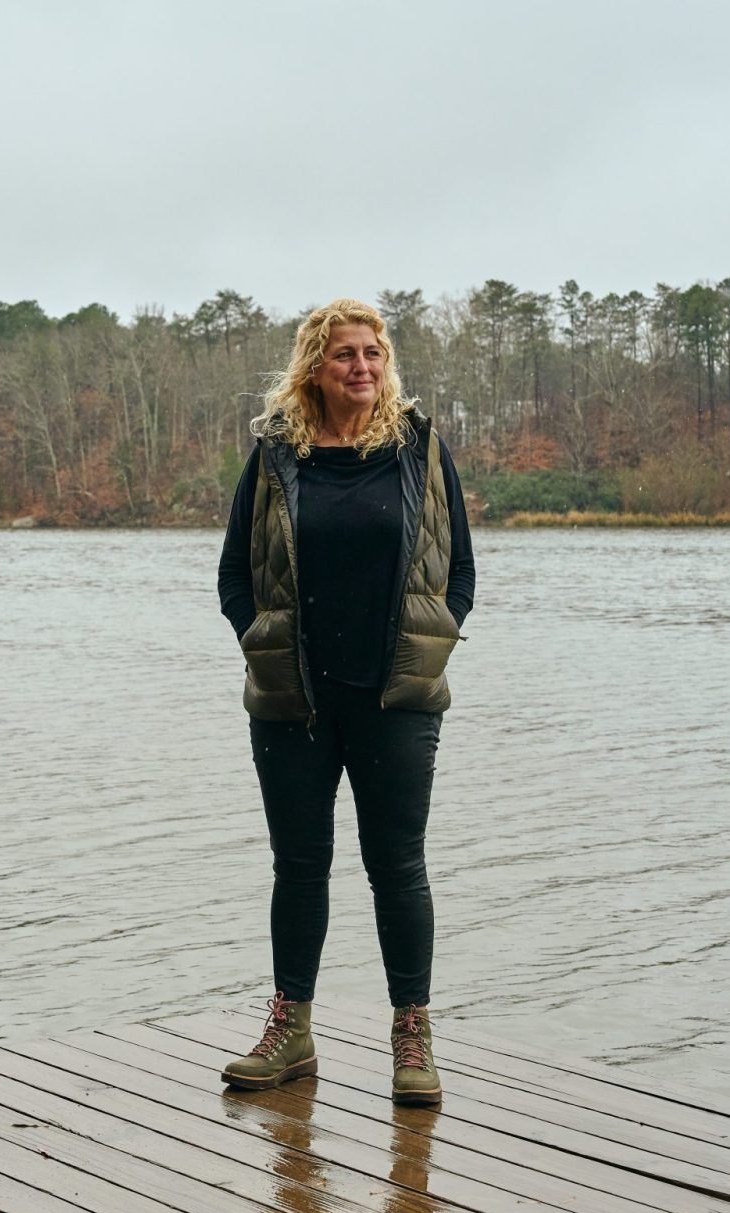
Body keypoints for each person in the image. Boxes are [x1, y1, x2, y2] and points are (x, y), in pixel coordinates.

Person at [215, 297, 475, 1105]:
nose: (361, 368)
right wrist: (263, 646)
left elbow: (457, 572)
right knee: (299, 866)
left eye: (371, 354)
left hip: (396, 699)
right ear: (314, 370)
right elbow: (235, 576)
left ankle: (412, 1039)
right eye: (343, 357)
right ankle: (290, 1032)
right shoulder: (276, 459)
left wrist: (427, 645)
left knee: (397, 867)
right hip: (296, 701)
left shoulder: (419, 451)